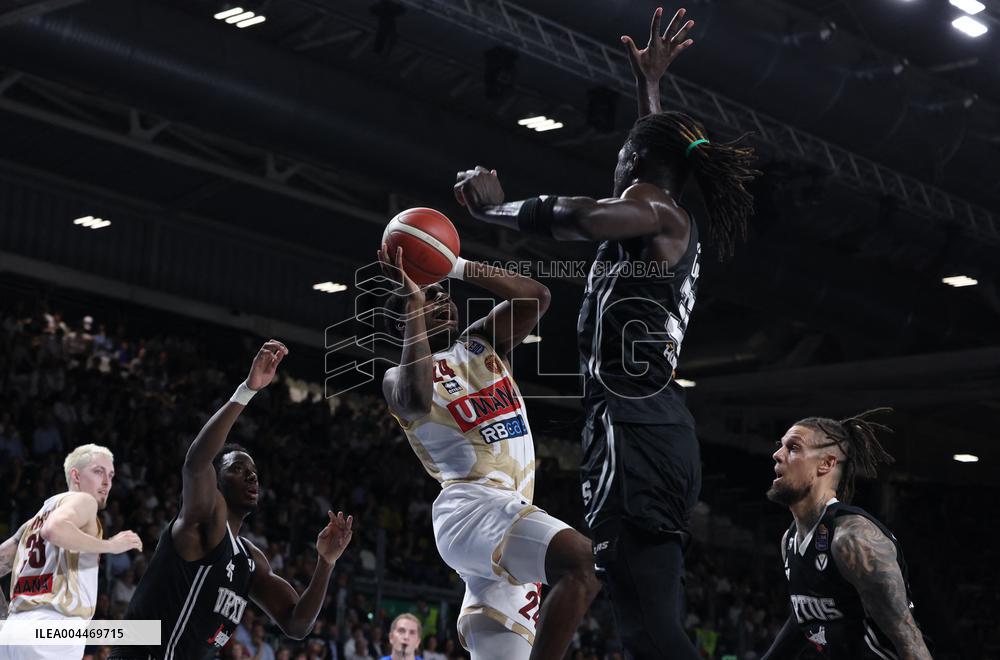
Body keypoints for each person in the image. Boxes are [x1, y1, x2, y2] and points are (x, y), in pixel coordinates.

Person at [453, 7, 759, 658]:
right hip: (638, 425)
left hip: (638, 426)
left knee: (651, 625)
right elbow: (648, 161)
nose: (615, 161)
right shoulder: (656, 218)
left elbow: (591, 213)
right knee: (637, 617)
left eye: (624, 154)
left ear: (637, 164)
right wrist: (650, 88)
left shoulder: (658, 211)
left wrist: (498, 210)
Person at [379, 244, 600, 660]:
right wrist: (412, 300)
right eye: (429, 298)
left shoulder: (481, 344)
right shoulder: (397, 377)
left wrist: (454, 264)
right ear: (405, 322)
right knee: (585, 564)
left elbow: (537, 297)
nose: (441, 298)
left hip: (506, 514)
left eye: (443, 293)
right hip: (472, 508)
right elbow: (414, 399)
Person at [110, 341, 354, 659]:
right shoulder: (202, 524)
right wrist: (247, 391)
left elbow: (296, 624)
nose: (252, 476)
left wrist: (326, 563)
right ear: (217, 482)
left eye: (253, 471)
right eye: (238, 469)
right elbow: (196, 463)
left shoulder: (250, 560)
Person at [761, 409, 932, 659]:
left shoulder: (853, 539)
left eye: (794, 447)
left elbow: (908, 638)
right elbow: (804, 618)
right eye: (781, 446)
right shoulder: (790, 540)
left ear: (826, 463)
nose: (777, 454)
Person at [0, 444, 142, 660]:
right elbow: (54, 530)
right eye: (98, 471)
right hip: (54, 630)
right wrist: (112, 545)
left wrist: (6, 617)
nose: (107, 482)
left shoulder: (33, 521)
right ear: (75, 475)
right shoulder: (83, 500)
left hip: (14, 631)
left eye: (111, 475)